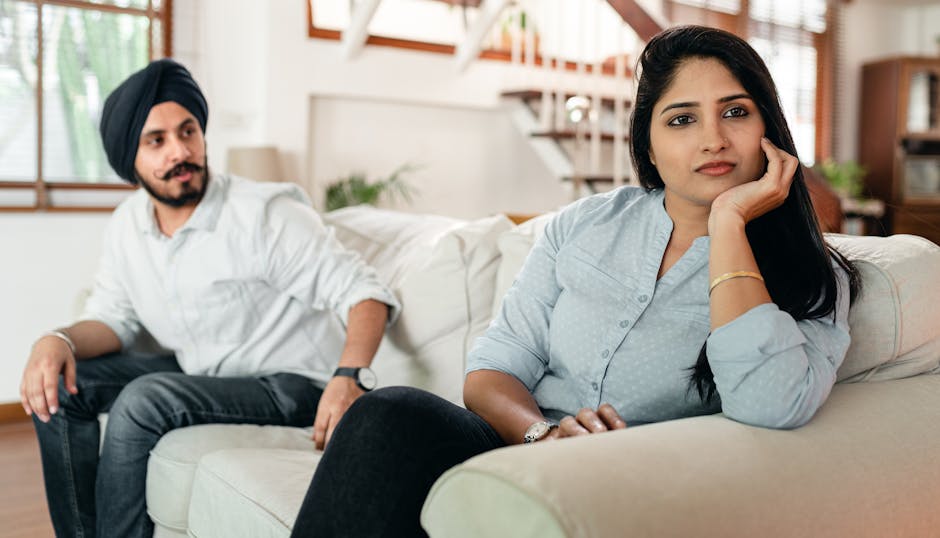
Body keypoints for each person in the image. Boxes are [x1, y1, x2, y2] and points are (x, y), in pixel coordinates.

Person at [288, 25, 860, 537]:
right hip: (520, 447)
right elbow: (493, 371)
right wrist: (543, 437)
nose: (713, 138)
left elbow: (772, 405)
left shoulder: (811, 274)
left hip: (629, 485)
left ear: (769, 129)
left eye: (735, 112)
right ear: (651, 147)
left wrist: (729, 222)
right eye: (682, 119)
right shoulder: (587, 223)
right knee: (388, 414)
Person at [18, 59, 400, 538]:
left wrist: (349, 376)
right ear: (129, 159)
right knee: (57, 385)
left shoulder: (263, 215)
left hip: (292, 383)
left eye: (188, 131)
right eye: (156, 141)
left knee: (143, 400)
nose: (180, 151)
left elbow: (365, 292)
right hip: (208, 374)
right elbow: (114, 319)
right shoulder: (127, 226)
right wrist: (58, 341)